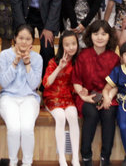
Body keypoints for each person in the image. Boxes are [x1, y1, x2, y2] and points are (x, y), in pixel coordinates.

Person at [72, 20, 120, 166]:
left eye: (103, 34)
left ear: (109, 37)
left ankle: (105, 157)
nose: (99, 37)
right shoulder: (83, 55)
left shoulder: (114, 58)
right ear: (90, 36)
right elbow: (76, 80)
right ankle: (86, 156)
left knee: (109, 113)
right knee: (91, 114)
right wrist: (83, 96)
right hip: (86, 96)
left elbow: (117, 84)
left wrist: (108, 98)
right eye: (96, 33)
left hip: (108, 96)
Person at [0, 24, 44, 166]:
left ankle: (27, 163)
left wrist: (27, 63)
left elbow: (34, 85)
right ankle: (12, 162)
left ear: (32, 41)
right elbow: (4, 83)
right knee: (14, 129)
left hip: (29, 98)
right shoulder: (5, 55)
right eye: (21, 38)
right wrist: (15, 62)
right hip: (8, 97)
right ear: (15, 38)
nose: (24, 42)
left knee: (26, 129)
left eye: (28, 39)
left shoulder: (37, 58)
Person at [43, 30, 81, 166]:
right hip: (52, 96)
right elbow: (46, 83)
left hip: (68, 97)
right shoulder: (53, 61)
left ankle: (75, 158)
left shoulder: (78, 61)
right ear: (61, 46)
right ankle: (62, 158)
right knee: (60, 117)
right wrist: (59, 67)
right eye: (67, 44)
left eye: (73, 44)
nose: (71, 47)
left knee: (72, 116)